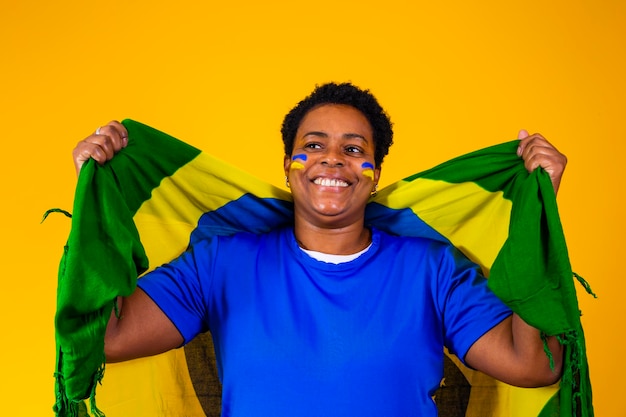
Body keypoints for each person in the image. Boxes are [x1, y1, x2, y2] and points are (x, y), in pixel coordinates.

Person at [72, 82, 567, 416]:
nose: (332, 159)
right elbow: (108, 337)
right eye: (313, 145)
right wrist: (96, 197)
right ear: (289, 165)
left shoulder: (429, 270)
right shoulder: (221, 263)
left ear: (375, 176)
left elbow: (534, 364)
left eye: (355, 149)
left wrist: (537, 217)